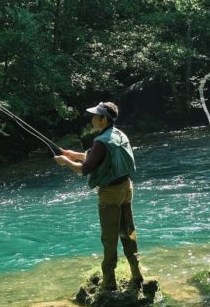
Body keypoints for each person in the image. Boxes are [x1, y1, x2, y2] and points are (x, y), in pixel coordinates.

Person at [54, 102, 144, 291]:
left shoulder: (101, 141)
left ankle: (109, 282)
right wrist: (75, 155)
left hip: (110, 193)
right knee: (128, 232)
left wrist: (66, 162)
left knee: (109, 238)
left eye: (96, 115)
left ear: (104, 119)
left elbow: (84, 170)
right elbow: (100, 158)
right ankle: (137, 274)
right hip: (126, 187)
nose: (92, 118)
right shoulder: (118, 134)